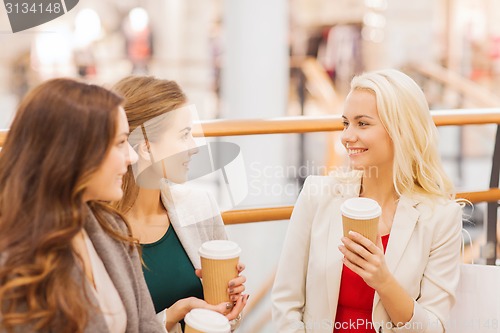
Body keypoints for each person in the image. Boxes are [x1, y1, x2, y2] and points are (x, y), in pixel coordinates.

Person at [272, 69, 463, 333]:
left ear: (401, 129)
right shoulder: (318, 195)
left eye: (362, 124)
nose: (347, 136)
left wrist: (383, 282)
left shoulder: (441, 217)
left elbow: (434, 327)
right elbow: (285, 305)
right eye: (345, 123)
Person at [0, 79, 167, 332]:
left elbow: (146, 324)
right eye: (121, 142)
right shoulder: (14, 259)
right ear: (74, 153)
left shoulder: (112, 228)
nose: (131, 157)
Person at [112, 76, 248, 333]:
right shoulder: (97, 228)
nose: (194, 147)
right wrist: (173, 315)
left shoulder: (199, 206)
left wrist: (227, 307)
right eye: (184, 135)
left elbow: (226, 320)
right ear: (146, 147)